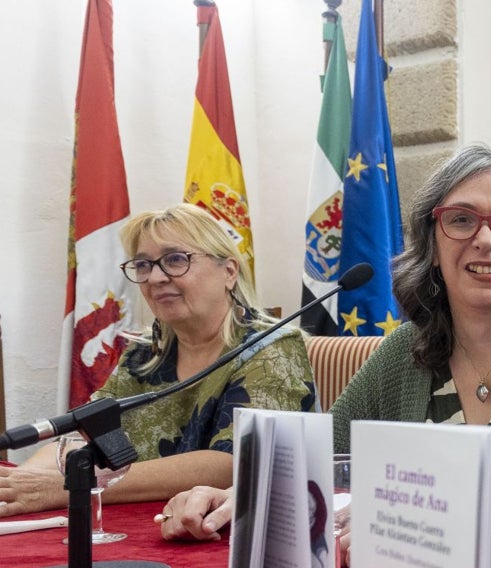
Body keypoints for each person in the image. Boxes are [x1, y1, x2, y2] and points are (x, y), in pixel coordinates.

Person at [159, 144, 491, 547]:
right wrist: (236, 494)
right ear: (432, 244)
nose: (486, 239)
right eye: (461, 220)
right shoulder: (409, 352)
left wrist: (465, 525)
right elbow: (324, 459)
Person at [0, 204, 316, 518]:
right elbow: (87, 438)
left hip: (224, 535)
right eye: (143, 265)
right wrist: (17, 486)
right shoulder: (145, 354)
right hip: (144, 526)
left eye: (175, 260)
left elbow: (234, 463)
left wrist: (69, 486)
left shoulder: (272, 348)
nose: (155, 277)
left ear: (229, 272)